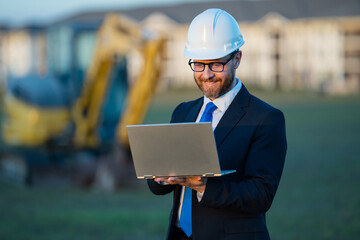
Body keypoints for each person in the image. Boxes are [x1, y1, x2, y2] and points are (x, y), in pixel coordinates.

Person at [147, 8, 287, 240]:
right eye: (199, 65)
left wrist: (203, 186)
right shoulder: (183, 111)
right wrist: (159, 175)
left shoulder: (266, 118)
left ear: (237, 59)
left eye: (216, 64)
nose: (206, 74)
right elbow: (158, 187)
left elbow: (261, 195)